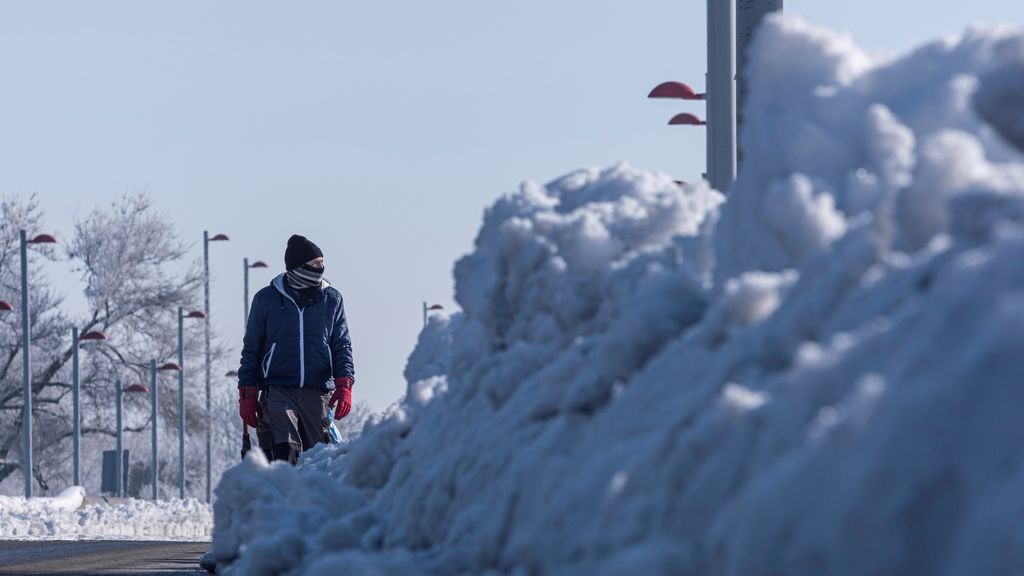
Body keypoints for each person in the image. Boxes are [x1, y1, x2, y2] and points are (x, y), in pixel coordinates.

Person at [237, 234, 355, 464]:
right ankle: (284, 489)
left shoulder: (331, 299)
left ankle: (312, 498)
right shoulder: (266, 299)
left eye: (322, 263)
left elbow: (342, 344)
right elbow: (251, 348)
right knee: (285, 450)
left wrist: (344, 383)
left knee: (318, 457)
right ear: (298, 267)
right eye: (315, 264)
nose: (321, 268)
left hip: (318, 391)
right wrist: (247, 392)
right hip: (278, 388)